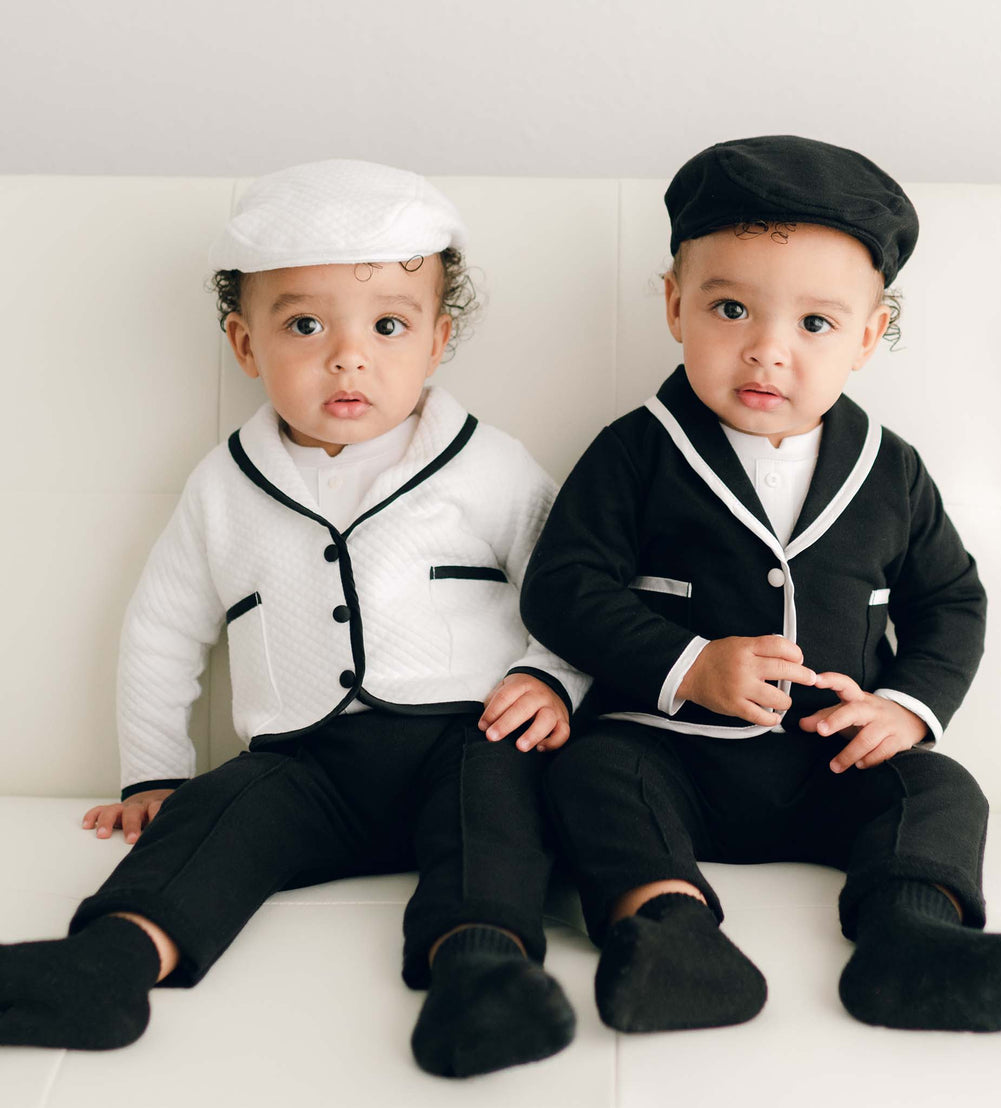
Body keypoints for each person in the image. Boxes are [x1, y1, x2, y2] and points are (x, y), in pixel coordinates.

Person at [0, 159, 585, 1077]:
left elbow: (574, 588)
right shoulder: (224, 487)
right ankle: (111, 961)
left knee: (497, 814)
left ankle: (480, 970)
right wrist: (155, 770)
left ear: (437, 342)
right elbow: (162, 628)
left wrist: (551, 679)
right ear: (244, 344)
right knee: (218, 812)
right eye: (304, 325)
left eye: (389, 325)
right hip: (305, 762)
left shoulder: (489, 466)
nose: (348, 357)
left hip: (466, 736)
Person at [520, 135, 1001, 1035]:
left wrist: (907, 707)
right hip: (669, 749)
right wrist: (688, 665)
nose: (767, 353)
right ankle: (669, 934)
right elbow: (563, 586)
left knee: (939, 788)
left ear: (868, 335)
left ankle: (909, 941)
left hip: (827, 764)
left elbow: (952, 601)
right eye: (731, 309)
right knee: (592, 772)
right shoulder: (638, 450)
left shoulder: (892, 471)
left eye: (813, 324)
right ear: (674, 305)